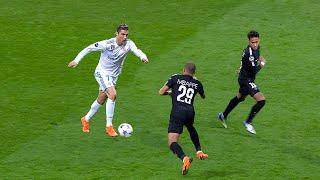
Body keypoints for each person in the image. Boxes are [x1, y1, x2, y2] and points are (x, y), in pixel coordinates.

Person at [68, 24, 149, 137]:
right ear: (116, 34)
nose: (125, 37)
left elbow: (137, 50)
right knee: (112, 94)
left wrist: (143, 57)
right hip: (102, 73)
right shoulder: (107, 44)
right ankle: (109, 126)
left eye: (126, 34)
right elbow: (89, 48)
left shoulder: (129, 44)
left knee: (102, 98)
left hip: (113, 76)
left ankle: (85, 119)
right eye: (122, 34)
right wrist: (76, 60)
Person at [159, 62, 208, 175]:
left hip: (177, 112)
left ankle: (184, 158)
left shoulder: (175, 78)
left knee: (172, 142)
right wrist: (195, 83)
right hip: (190, 112)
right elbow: (203, 96)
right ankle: (199, 151)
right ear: (194, 72)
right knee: (190, 127)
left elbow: (161, 92)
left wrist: (172, 93)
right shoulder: (197, 83)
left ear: (183, 70)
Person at [217, 30, 266, 134]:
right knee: (261, 100)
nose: (255, 44)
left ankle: (223, 115)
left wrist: (241, 68)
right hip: (246, 80)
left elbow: (242, 61)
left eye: (257, 41)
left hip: (246, 77)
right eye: (253, 42)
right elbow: (254, 70)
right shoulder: (249, 53)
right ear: (248, 41)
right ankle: (248, 122)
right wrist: (261, 64)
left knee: (240, 97)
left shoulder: (256, 48)